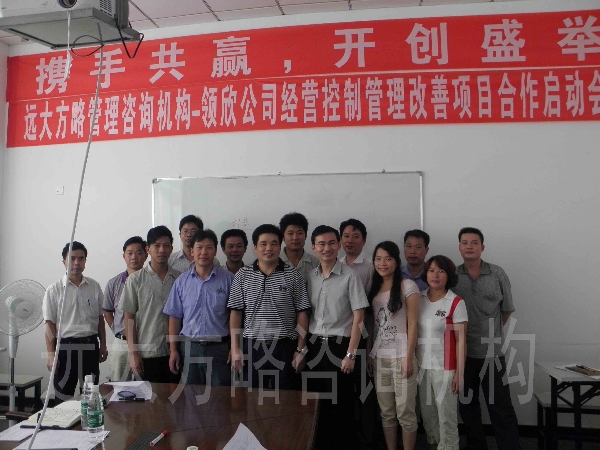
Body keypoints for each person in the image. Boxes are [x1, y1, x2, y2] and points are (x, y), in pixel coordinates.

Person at [453, 227, 521, 450]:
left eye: (474, 242)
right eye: (465, 242)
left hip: (492, 354)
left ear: (482, 247)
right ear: (459, 247)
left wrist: (491, 333)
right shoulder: (453, 276)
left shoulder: (497, 273)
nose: (469, 246)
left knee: (500, 407)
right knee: (468, 407)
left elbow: (506, 310)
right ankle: (476, 446)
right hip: (463, 353)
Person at [306, 225, 369, 450]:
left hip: (339, 347)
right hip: (315, 346)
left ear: (339, 245)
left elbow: (359, 316)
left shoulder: (350, 276)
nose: (327, 248)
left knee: (341, 404)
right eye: (321, 244)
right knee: (317, 403)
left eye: (332, 243)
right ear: (313, 247)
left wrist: (351, 354)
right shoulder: (310, 277)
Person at [228, 224, 311, 390]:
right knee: (252, 397)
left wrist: (301, 349)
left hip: (285, 347)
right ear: (255, 248)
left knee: (286, 397)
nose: (269, 248)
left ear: (280, 247)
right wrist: (235, 347)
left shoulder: (293, 275)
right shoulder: (242, 275)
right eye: (263, 244)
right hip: (252, 347)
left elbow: (302, 313)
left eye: (274, 244)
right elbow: (236, 313)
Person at [366, 241, 419, 450]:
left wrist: (409, 357)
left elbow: (413, 324)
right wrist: (370, 354)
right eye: (378, 259)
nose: (382, 263)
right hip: (380, 358)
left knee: (406, 413)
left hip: (401, 357)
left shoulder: (407, 286)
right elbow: (371, 325)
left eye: (388, 258)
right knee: (387, 413)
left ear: (396, 262)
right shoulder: (373, 288)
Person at [164, 229, 234, 386]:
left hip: (219, 348)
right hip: (190, 348)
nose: (204, 252)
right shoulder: (181, 282)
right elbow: (174, 318)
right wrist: (173, 350)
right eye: (199, 248)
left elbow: (234, 316)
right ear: (192, 251)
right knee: (191, 395)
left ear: (215, 251)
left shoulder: (228, 280)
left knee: (220, 395)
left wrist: (234, 347)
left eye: (209, 248)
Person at [42, 242, 107, 403]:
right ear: (64, 261)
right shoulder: (54, 290)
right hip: (65, 348)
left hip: (90, 346)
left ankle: (87, 420)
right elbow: (49, 324)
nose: (77, 263)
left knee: (91, 396)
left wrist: (103, 345)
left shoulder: (94, 286)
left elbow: (100, 319)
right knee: (63, 397)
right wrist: (51, 354)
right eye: (72, 258)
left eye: (81, 258)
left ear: (85, 261)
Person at [417, 255, 467, 450]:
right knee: (428, 418)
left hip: (445, 370)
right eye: (431, 270)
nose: (435, 275)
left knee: (446, 418)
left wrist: (459, 374)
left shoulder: (455, 302)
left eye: (441, 271)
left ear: (449, 275)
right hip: (422, 368)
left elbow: (461, 340)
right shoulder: (418, 298)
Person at [120, 226, 181, 383]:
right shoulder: (135, 280)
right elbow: (129, 318)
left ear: (171, 248)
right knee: (148, 397)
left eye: (166, 245)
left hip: (175, 352)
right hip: (147, 353)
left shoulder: (180, 279)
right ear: (148, 249)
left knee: (176, 396)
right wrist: (133, 354)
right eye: (156, 245)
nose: (162, 250)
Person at [103, 236, 147, 382]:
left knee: (145, 387)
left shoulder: (151, 281)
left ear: (146, 255)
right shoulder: (113, 283)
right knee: (119, 387)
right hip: (121, 343)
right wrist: (118, 329)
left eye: (139, 253)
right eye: (130, 253)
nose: (134, 257)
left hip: (145, 342)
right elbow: (107, 311)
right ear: (124, 256)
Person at [279, 212, 319, 282]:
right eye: (290, 233)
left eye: (299, 233)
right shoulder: (274, 262)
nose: (295, 237)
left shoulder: (316, 263)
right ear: (283, 236)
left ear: (305, 235)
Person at [339, 218, 374, 292]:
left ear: (364, 241)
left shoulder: (372, 266)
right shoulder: (337, 264)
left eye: (355, 237)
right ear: (341, 240)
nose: (350, 241)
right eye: (346, 236)